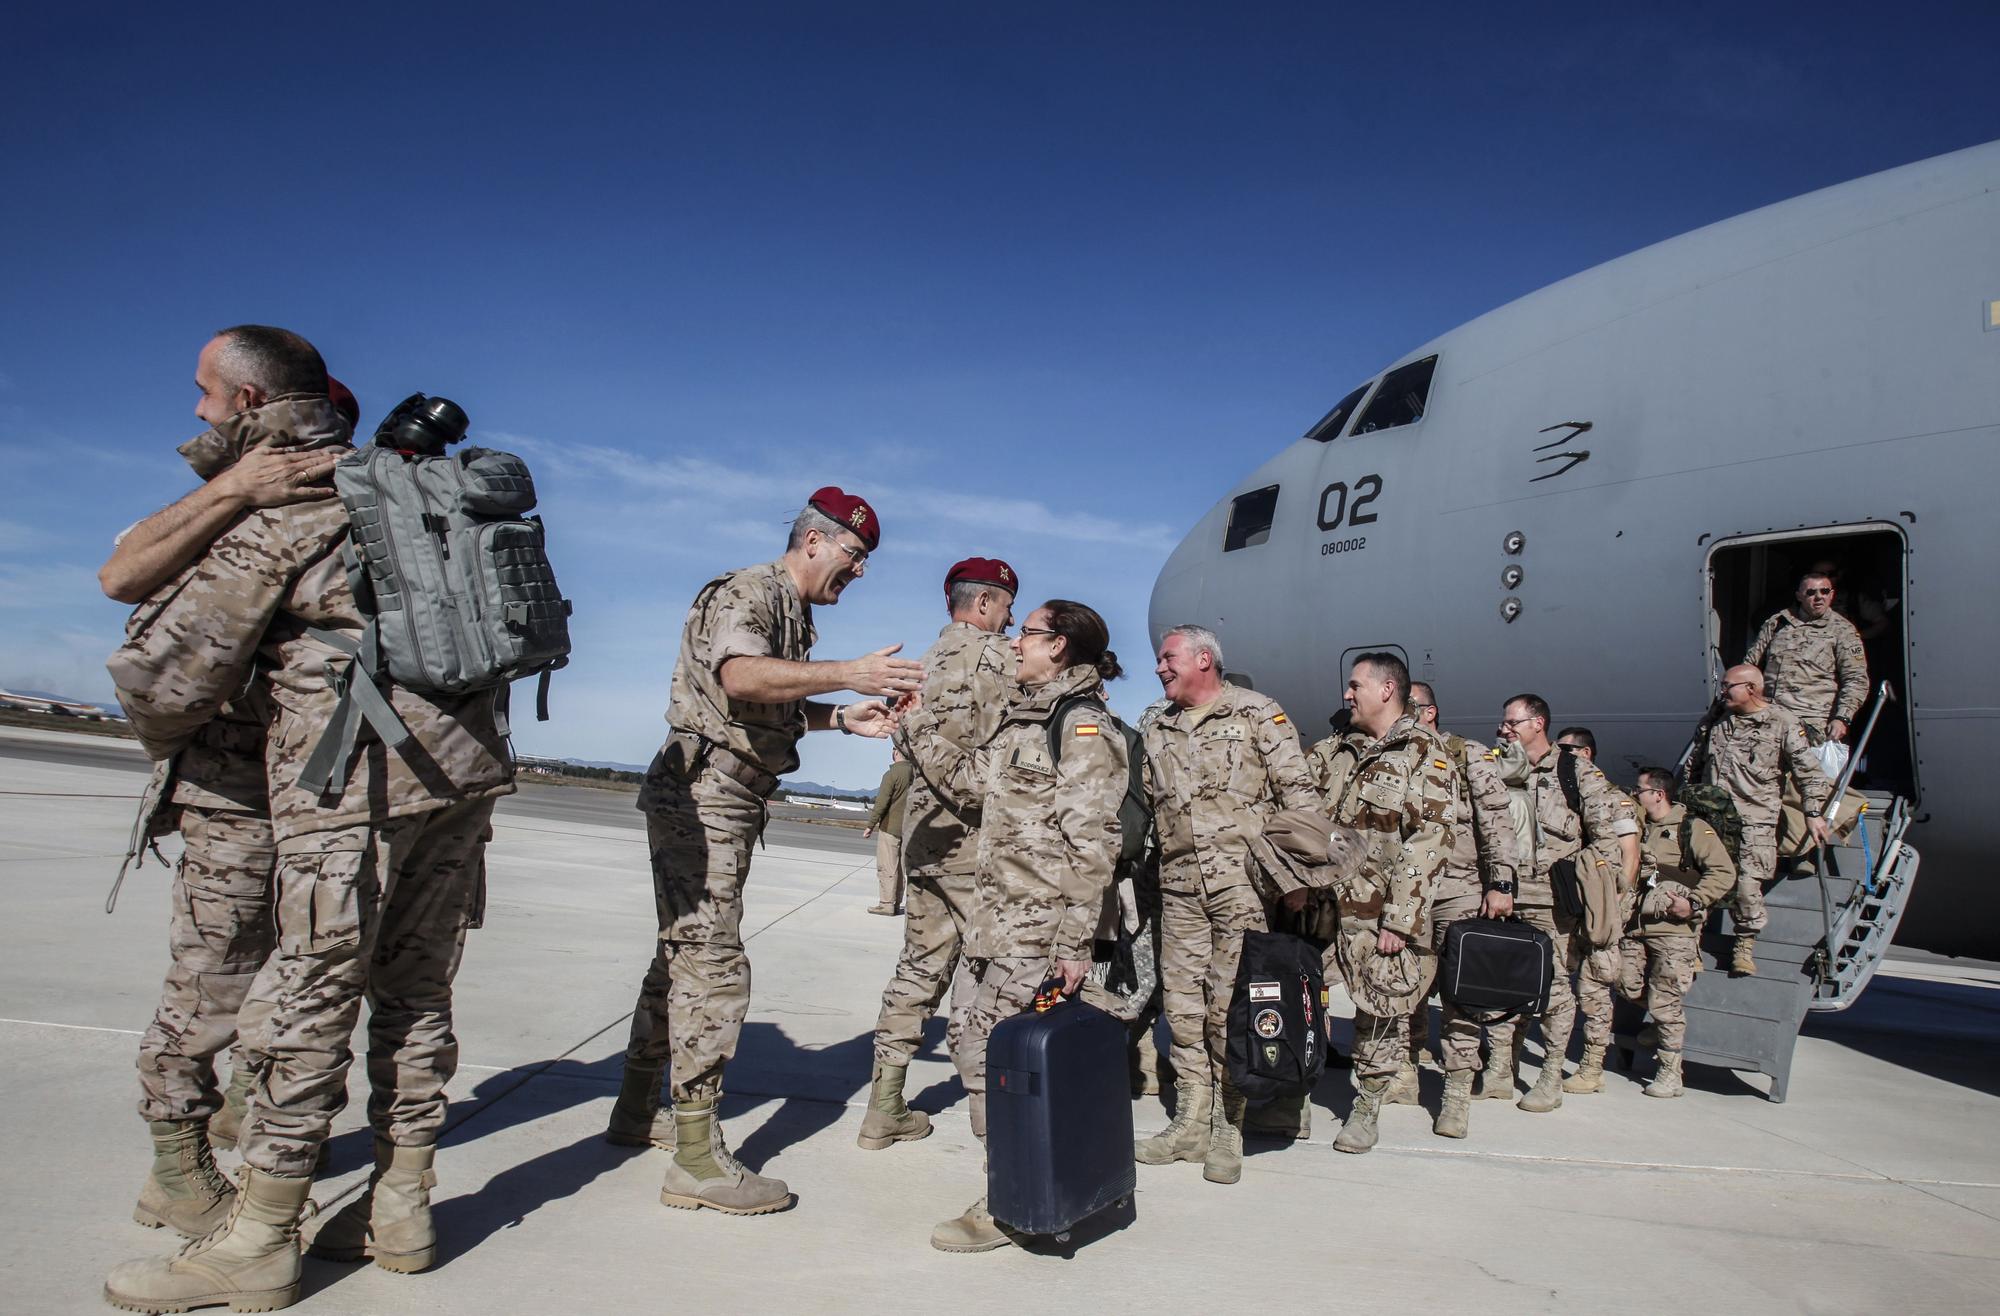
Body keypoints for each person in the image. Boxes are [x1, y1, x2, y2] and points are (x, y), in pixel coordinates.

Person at [104, 327, 515, 1310]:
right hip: (466, 780)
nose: (198, 411)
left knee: (306, 1003)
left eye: (206, 393)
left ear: (248, 403)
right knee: (418, 995)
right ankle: (401, 1204)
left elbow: (161, 676)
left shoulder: (289, 498)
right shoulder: (437, 493)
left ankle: (257, 1238)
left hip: (351, 789)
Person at [607, 487, 918, 1215]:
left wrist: (841, 716)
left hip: (730, 794)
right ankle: (694, 1159)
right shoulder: (751, 591)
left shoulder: (793, 611)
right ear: (814, 541)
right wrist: (851, 671)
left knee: (679, 957)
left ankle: (634, 1110)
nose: (860, 571)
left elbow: (765, 701)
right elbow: (740, 676)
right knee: (713, 967)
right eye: (855, 554)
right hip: (706, 794)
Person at [101, 364, 359, 1242]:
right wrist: (235, 490)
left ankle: (244, 1121)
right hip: (230, 788)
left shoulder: (329, 512)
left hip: (319, 787)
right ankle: (175, 1174)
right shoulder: (228, 507)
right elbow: (124, 581)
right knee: (211, 979)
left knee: (304, 969)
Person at [892, 599, 1127, 1253]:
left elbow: (1094, 845)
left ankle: (1015, 1198)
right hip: (993, 926)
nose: (1013, 643)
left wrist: (1076, 943)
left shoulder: (1084, 730)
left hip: (1038, 933)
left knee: (1005, 1066)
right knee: (972, 1049)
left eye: (1026, 633)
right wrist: (912, 728)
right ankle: (1026, 1182)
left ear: (1057, 646)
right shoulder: (1028, 722)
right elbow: (969, 782)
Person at [1134, 625, 1317, 1182]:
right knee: (1183, 1008)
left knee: (1229, 1008)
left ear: (1203, 659)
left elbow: (1300, 798)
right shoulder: (1155, 725)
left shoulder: (1258, 714)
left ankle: (1228, 1124)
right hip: (1178, 887)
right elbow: (1141, 808)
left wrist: (1300, 880)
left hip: (1243, 888)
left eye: (1167, 658)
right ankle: (1190, 1117)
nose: (1159, 668)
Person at [859, 557, 1017, 1152]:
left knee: (918, 969)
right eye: (1004, 606)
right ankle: (991, 1112)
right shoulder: (1003, 662)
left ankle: (884, 1105)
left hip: (924, 841)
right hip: (978, 844)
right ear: (982, 605)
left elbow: (902, 752)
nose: (1010, 619)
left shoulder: (917, 668)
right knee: (986, 979)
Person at [1322, 654, 1454, 1154]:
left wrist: (1401, 918)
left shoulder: (1424, 752)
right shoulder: (1338, 748)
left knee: (1377, 1006)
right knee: (1303, 991)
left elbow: (1430, 840)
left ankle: (1367, 1105)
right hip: (1325, 902)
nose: (1347, 694)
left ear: (1387, 688)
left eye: (1355, 685)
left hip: (1377, 910)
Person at [1485, 694, 1638, 1114]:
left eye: (1512, 723)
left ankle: (1551, 1075)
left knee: (1552, 988)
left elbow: (1604, 839)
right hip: (1505, 894)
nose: (1505, 729)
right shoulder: (1498, 768)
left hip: (1553, 900)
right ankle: (1500, 1070)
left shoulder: (1575, 771)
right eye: (1503, 724)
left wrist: (1603, 894)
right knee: (1500, 983)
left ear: (1538, 723)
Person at [1406, 683, 1518, 1138]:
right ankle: (1403, 1075)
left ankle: (1455, 1093)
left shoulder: (1466, 753)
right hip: (1409, 890)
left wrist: (1501, 884)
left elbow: (1496, 819)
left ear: (1429, 711)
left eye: (1409, 707)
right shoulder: (1394, 753)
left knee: (1459, 993)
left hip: (1459, 886)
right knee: (1405, 987)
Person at [1697, 666, 1830, 976]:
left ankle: (1744, 945)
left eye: (1730, 686)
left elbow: (1809, 772)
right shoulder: (1718, 718)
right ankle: (1692, 945)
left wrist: (1812, 812)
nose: (1723, 692)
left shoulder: (1782, 723)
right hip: (1709, 817)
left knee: (1745, 887)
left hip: (1753, 822)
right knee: (1700, 880)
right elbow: (1696, 760)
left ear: (1752, 688)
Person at [1628, 767, 1737, 1097]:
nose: (1636, 795)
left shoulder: (1691, 828)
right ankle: (1658, 1024)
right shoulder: (1640, 827)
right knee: (1622, 978)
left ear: (1658, 794)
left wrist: (1694, 902)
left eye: (1640, 790)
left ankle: (1670, 1073)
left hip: (1674, 930)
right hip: (1637, 925)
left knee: (1667, 1000)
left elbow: (1723, 871)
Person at [1552, 725, 1647, 1096]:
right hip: (1570, 902)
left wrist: (1613, 907)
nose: (1560, 754)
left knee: (1594, 987)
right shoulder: (1564, 791)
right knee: (1557, 981)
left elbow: (1631, 855)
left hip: (1601, 908)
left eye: (1567, 749)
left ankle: (1592, 1066)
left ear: (1586, 753)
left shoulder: (1613, 798)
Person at [1744, 570, 1868, 746]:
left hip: (1813, 723)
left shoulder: (1842, 630)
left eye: (1824, 591)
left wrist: (1842, 718)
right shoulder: (1778, 623)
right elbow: (1750, 666)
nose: (1819, 597)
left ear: (1832, 594)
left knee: (1808, 773)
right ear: (1799, 596)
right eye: (1811, 592)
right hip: (1770, 718)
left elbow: (1856, 679)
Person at [862, 748, 913, 915]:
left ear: (895, 752)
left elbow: (881, 803)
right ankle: (897, 902)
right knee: (900, 868)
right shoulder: (916, 773)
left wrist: (870, 825)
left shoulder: (892, 774)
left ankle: (886, 904)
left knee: (887, 867)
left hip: (890, 827)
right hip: (909, 828)